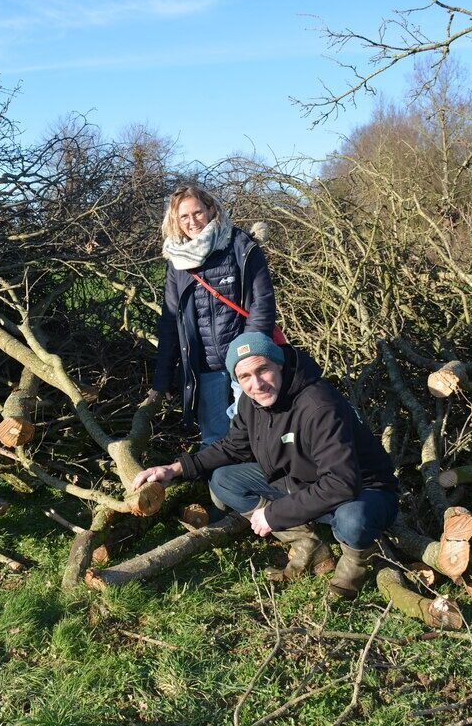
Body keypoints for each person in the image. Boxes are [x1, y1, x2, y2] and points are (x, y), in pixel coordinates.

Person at [132, 332, 399, 598]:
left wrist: (274, 515)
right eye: (245, 377)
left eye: (263, 370)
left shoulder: (318, 405)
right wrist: (174, 469)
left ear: (279, 364)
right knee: (225, 479)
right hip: (301, 483)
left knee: (354, 521)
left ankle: (349, 576)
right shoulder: (251, 402)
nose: (256, 383)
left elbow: (341, 483)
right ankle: (309, 546)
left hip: (361, 492)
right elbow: (232, 447)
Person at [146, 184, 276, 447]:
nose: (192, 221)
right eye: (184, 217)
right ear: (176, 220)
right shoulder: (177, 262)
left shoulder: (240, 246)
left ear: (211, 209)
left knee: (258, 436)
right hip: (204, 367)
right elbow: (171, 321)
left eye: (197, 212)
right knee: (215, 440)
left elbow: (262, 302)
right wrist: (160, 382)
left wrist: (248, 352)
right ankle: (221, 487)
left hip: (245, 364)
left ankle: (262, 486)